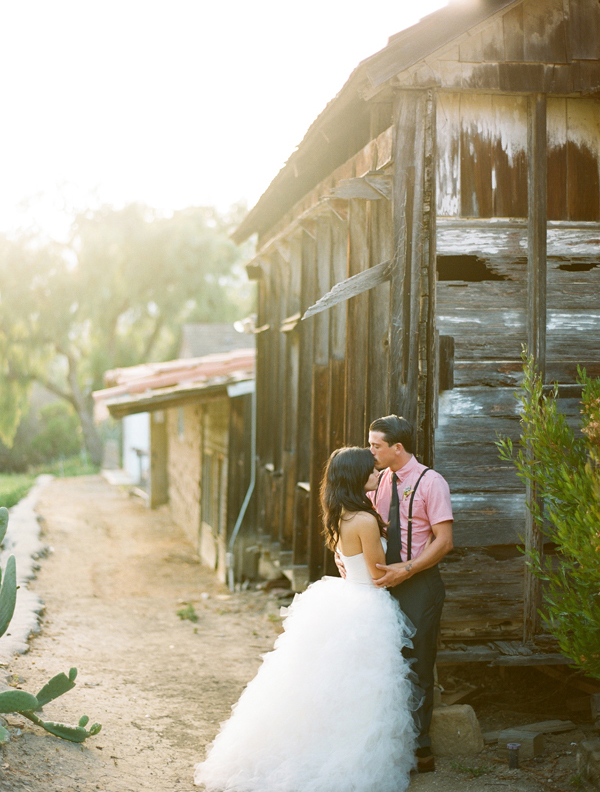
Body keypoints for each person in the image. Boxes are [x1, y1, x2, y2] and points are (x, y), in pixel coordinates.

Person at [194, 446, 419, 792]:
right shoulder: (365, 519)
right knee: (362, 690)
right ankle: (345, 757)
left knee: (330, 686)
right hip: (366, 605)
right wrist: (410, 567)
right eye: (372, 470)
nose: (378, 473)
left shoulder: (341, 513)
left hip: (344, 597)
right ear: (359, 476)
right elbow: (377, 573)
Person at [368, 414, 453, 773]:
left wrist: (408, 569)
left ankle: (420, 747)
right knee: (383, 663)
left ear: (397, 448)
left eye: (376, 446)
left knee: (418, 664)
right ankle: (386, 743)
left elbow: (445, 541)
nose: (370, 451)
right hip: (382, 584)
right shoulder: (378, 480)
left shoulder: (432, 482)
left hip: (419, 584)